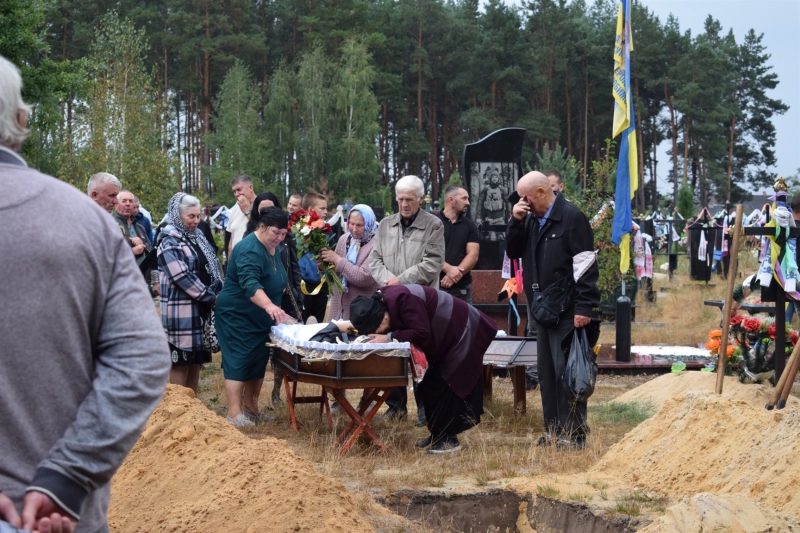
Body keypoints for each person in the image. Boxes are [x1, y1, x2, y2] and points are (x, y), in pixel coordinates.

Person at [0, 54, 170, 533]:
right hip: (57, 513)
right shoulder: (86, 222)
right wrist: (66, 478)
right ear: (22, 120)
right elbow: (142, 358)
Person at [506, 171, 600, 450]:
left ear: (542, 193)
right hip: (542, 308)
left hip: (569, 310)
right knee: (546, 373)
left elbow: (584, 264)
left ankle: (574, 435)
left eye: (526, 197)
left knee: (567, 373)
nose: (523, 202)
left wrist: (584, 306)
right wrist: (515, 221)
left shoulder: (571, 218)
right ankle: (554, 430)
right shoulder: (530, 219)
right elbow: (513, 252)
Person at [349, 286, 497, 453]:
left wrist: (389, 337)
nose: (379, 333)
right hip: (443, 336)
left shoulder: (402, 299)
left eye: (377, 331)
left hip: (462, 329)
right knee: (427, 384)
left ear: (382, 317)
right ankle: (437, 433)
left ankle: (449, 439)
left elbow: (421, 332)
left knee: (447, 383)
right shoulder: (383, 302)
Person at [369, 175, 445, 424]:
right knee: (391, 352)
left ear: (421, 199)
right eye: (400, 199)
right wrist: (390, 281)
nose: (404, 204)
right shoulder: (385, 225)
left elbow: (432, 264)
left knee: (422, 353)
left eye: (409, 200)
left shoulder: (433, 225)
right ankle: (395, 405)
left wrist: (400, 281)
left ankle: (426, 408)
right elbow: (374, 260)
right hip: (390, 300)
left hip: (419, 300)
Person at [215, 207, 290, 427]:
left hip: (260, 315)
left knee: (257, 360)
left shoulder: (273, 246)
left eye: (284, 233)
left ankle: (252, 408)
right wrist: (270, 306)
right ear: (262, 226)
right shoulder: (248, 248)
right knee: (239, 359)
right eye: (276, 232)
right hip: (237, 313)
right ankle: (234, 413)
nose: (279, 237)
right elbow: (250, 283)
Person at [157, 193, 222, 394]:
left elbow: (212, 266)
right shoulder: (168, 240)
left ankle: (192, 413)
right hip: (181, 313)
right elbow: (181, 276)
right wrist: (211, 298)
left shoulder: (197, 236)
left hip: (200, 311)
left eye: (197, 216)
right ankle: (176, 415)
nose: (196, 221)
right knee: (180, 362)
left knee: (196, 361)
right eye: (190, 217)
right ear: (177, 215)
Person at [244, 192, 303, 406]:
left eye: (271, 208)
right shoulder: (251, 237)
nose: (267, 212)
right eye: (262, 210)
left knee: (283, 349)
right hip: (260, 299)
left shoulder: (284, 235)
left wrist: (297, 291)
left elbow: (293, 266)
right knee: (260, 347)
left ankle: (278, 392)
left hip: (285, 297)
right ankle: (248, 398)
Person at [321, 205, 380, 320]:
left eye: (360, 225)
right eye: (351, 223)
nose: (354, 229)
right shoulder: (344, 239)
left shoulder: (377, 244)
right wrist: (324, 267)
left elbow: (364, 277)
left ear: (370, 223)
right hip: (338, 311)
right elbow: (336, 275)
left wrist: (337, 260)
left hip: (362, 312)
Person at [436, 185, 480, 303]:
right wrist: (448, 269)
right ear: (451, 200)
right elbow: (424, 251)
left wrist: (455, 275)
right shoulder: (432, 222)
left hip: (462, 289)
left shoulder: (470, 226)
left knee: (465, 321)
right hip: (435, 285)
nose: (468, 203)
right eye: (464, 198)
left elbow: (473, 254)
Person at [300, 192, 330, 323]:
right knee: (302, 322)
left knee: (317, 323)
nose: (326, 212)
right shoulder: (297, 230)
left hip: (321, 283)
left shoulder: (326, 230)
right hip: (303, 283)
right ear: (311, 210)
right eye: (322, 208)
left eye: (326, 208)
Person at [114, 190, 152, 266]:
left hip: (143, 274)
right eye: (124, 201)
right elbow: (108, 256)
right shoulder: (111, 225)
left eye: (130, 201)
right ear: (116, 205)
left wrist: (143, 244)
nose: (128, 204)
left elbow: (151, 251)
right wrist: (131, 252)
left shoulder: (140, 227)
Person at [225, 174, 257, 257]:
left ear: (250, 187)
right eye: (234, 191)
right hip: (236, 262)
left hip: (253, 261)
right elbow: (231, 242)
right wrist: (230, 266)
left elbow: (263, 230)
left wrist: (247, 211)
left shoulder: (262, 204)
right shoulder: (235, 209)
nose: (236, 194)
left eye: (239, 189)